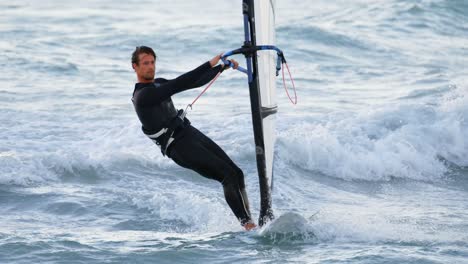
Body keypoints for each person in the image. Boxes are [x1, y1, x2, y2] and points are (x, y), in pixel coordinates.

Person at [131, 46, 256, 230]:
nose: (150, 67)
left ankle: (252, 218)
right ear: (135, 67)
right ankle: (248, 226)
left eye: (152, 62)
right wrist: (212, 62)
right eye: (145, 63)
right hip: (178, 146)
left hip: (187, 132)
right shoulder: (143, 96)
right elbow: (181, 83)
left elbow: (192, 82)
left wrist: (221, 68)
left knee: (237, 173)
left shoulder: (157, 84)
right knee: (227, 176)